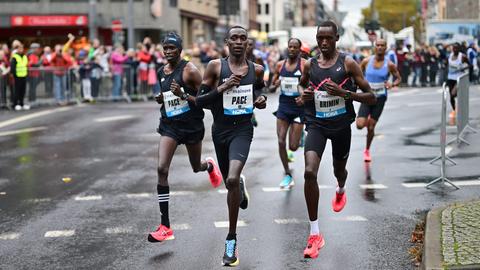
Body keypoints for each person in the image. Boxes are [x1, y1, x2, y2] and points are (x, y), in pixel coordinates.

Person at [298, 21, 376, 259]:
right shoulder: (310, 65)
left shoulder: (348, 63)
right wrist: (305, 97)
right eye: (320, 38)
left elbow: (371, 97)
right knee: (309, 172)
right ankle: (315, 234)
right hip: (317, 125)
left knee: (338, 170)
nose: (323, 42)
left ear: (336, 38)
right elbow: (302, 89)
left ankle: (341, 188)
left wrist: (345, 94)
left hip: (341, 126)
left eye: (328, 38)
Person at [196, 26, 267, 266]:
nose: (238, 42)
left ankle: (231, 240)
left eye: (243, 38)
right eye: (234, 38)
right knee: (230, 182)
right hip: (220, 131)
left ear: (248, 43)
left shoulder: (257, 69)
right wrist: (222, 88)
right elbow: (200, 101)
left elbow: (259, 90)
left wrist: (260, 99)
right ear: (226, 42)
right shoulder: (216, 67)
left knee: (231, 180)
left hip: (242, 130)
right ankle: (238, 184)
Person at [147, 33, 222, 243]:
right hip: (170, 126)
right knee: (162, 169)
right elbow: (167, 98)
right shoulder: (161, 71)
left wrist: (182, 95)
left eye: (172, 48)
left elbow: (207, 99)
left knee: (195, 166)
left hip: (191, 126)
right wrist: (162, 98)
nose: (168, 51)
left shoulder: (190, 71)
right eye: (165, 48)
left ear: (180, 50)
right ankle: (165, 226)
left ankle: (208, 166)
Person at [269, 38, 306, 188]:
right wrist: (275, 84)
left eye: (295, 47)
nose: (291, 49)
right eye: (290, 47)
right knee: (280, 141)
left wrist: (303, 96)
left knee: (293, 147)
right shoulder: (280, 65)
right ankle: (287, 173)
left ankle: (300, 135)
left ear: (299, 49)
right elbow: (271, 86)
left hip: (299, 108)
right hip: (284, 106)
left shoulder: (304, 65)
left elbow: (310, 84)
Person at [356, 39, 401, 162]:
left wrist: (392, 84)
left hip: (380, 98)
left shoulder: (390, 64)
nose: (380, 47)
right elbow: (356, 74)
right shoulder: (366, 61)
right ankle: (367, 120)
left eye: (382, 45)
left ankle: (367, 150)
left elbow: (398, 78)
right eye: (378, 45)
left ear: (386, 48)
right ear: (374, 47)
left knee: (371, 128)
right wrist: (359, 84)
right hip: (367, 97)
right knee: (359, 125)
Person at [446, 42, 471, 118]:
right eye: (453, 48)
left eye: (456, 48)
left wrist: (463, 68)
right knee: (451, 97)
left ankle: (460, 107)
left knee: (454, 93)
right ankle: (454, 110)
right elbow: (448, 64)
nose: (455, 49)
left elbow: (470, 65)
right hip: (450, 78)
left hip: (458, 78)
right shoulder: (450, 55)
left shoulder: (462, 56)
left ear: (459, 49)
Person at [10, 43, 29, 111]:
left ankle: (21, 103)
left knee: (22, 91)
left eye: (22, 48)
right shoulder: (15, 57)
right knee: (17, 91)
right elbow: (13, 67)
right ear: (17, 49)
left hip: (24, 75)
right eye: (20, 48)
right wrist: (13, 75)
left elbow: (26, 65)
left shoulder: (24, 56)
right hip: (17, 76)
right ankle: (15, 104)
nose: (21, 49)